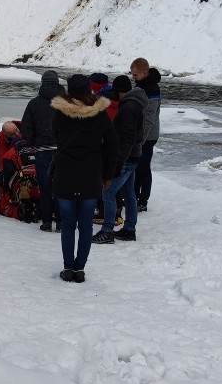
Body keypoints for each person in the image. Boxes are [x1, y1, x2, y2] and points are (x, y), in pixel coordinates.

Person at [51, 74, 118, 283]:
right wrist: (108, 174)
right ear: (89, 89)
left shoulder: (60, 113)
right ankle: (80, 269)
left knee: (68, 223)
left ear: (69, 89)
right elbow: (113, 143)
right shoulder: (99, 113)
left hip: (66, 173)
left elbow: (55, 135)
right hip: (91, 174)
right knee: (86, 224)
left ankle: (68, 267)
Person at [93, 75, 148, 244]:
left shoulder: (129, 108)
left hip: (126, 158)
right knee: (128, 192)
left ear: (118, 91)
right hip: (133, 155)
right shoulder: (134, 104)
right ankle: (129, 229)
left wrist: (118, 161)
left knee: (108, 192)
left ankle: (107, 231)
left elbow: (128, 139)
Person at [20, 69, 65, 232]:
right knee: (61, 186)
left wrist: (35, 142)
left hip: (42, 151)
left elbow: (26, 128)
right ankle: (61, 221)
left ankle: (47, 221)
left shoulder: (34, 103)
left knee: (45, 187)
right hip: (62, 151)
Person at [130, 59, 161, 211]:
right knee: (136, 166)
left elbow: (150, 116)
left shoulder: (152, 89)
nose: (133, 77)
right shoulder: (141, 85)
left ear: (145, 72)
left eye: (135, 75)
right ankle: (134, 195)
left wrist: (142, 138)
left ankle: (143, 200)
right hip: (140, 134)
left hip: (148, 136)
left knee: (143, 167)